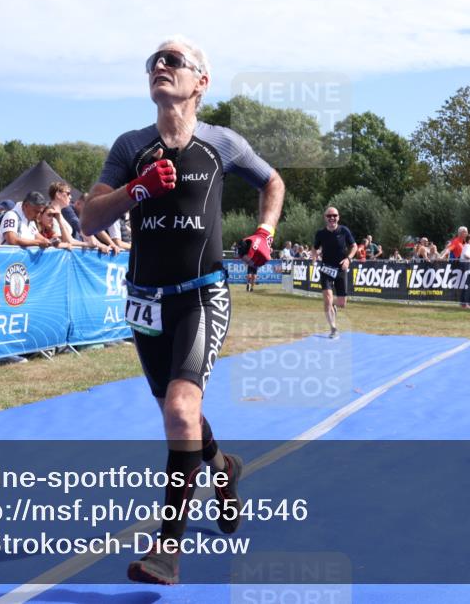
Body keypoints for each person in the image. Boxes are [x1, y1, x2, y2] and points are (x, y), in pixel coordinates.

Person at [80, 36, 284, 585]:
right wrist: (137, 189)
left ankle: (167, 550)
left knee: (179, 407)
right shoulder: (131, 147)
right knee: (179, 415)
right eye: (154, 62)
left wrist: (264, 231)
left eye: (173, 61)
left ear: (201, 82)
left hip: (200, 294)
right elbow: (89, 218)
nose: (160, 67)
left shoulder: (222, 143)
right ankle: (223, 466)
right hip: (145, 302)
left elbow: (273, 181)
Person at [313, 206, 357, 339]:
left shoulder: (344, 231)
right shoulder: (320, 233)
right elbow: (314, 248)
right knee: (327, 298)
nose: (332, 218)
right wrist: (314, 258)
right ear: (325, 218)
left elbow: (354, 246)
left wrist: (348, 259)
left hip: (341, 269)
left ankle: (332, 305)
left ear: (338, 217)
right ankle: (333, 328)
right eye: (329, 216)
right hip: (326, 269)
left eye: (334, 215)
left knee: (342, 303)